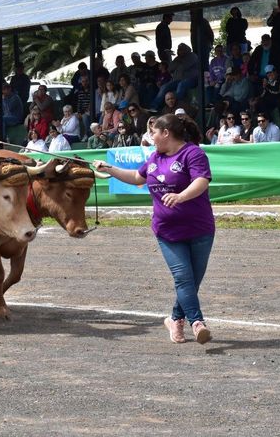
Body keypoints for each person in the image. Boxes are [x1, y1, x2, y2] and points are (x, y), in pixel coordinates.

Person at [92, 114, 214, 345]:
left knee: (192, 281)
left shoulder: (193, 154)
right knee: (183, 278)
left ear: (166, 133)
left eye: (154, 133)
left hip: (200, 229)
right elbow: (136, 177)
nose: (151, 137)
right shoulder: (155, 157)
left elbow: (201, 181)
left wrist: (180, 196)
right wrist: (108, 167)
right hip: (167, 232)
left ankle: (175, 319)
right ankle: (197, 323)